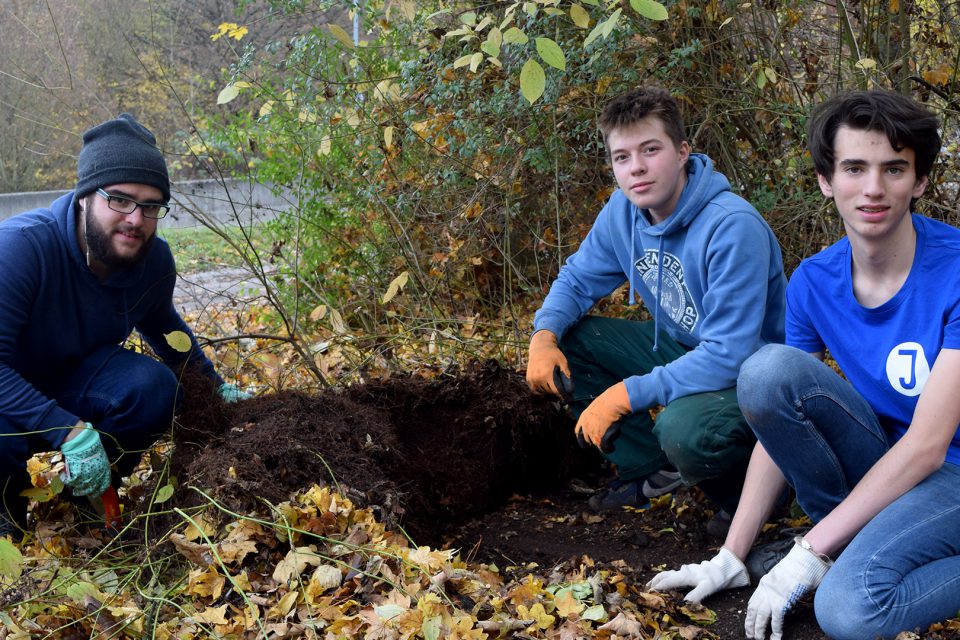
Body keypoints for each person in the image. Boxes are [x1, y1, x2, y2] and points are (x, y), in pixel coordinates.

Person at [648, 89, 960, 640]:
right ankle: (850, 543)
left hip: (949, 470)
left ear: (920, 180)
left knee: (850, 610)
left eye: (894, 169)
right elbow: (777, 418)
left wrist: (809, 551)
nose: (873, 188)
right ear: (825, 180)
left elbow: (930, 445)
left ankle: (843, 551)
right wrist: (731, 555)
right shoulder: (815, 281)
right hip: (885, 461)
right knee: (767, 370)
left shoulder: (955, 269)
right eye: (854, 168)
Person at [525, 86, 786, 526]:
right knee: (572, 340)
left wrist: (628, 394)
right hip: (687, 348)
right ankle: (653, 472)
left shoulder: (731, 227)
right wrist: (543, 335)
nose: (637, 168)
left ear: (682, 151)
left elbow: (730, 354)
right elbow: (578, 278)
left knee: (684, 431)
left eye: (651, 150)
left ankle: (754, 501)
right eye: (622, 157)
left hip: (756, 374)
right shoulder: (623, 211)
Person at [0, 113, 248, 539]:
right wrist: (68, 431)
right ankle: (8, 511)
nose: (135, 218)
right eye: (120, 199)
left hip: (66, 385)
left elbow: (164, 327)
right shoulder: (20, 249)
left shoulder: (151, 261)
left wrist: (214, 386)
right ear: (84, 198)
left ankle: (85, 503)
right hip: (8, 399)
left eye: (151, 205)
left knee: (152, 388)